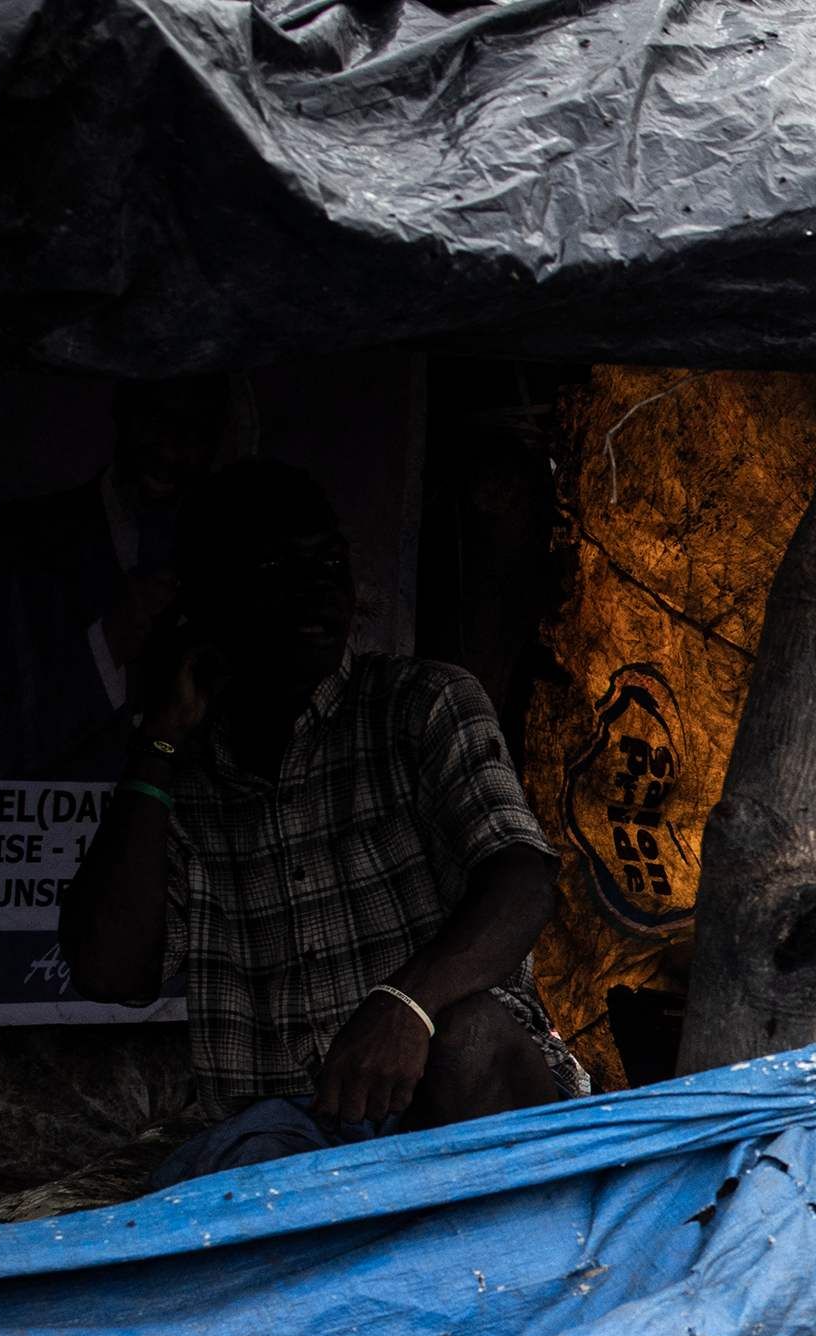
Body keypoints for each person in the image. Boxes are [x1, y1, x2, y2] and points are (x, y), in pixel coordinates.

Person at [58, 460, 584, 1178]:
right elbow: (106, 968)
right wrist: (157, 739)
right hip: (290, 1131)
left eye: (330, 562)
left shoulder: (420, 704)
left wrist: (407, 1003)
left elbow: (523, 878)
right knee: (219, 1176)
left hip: (452, 1096)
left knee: (470, 1035)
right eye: (277, 564)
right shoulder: (189, 772)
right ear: (209, 599)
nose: (318, 587)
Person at [0, 372, 231, 780]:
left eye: (195, 430)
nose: (171, 447)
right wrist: (108, 642)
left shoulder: (229, 558)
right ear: (123, 411)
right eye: (157, 419)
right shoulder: (9, 544)